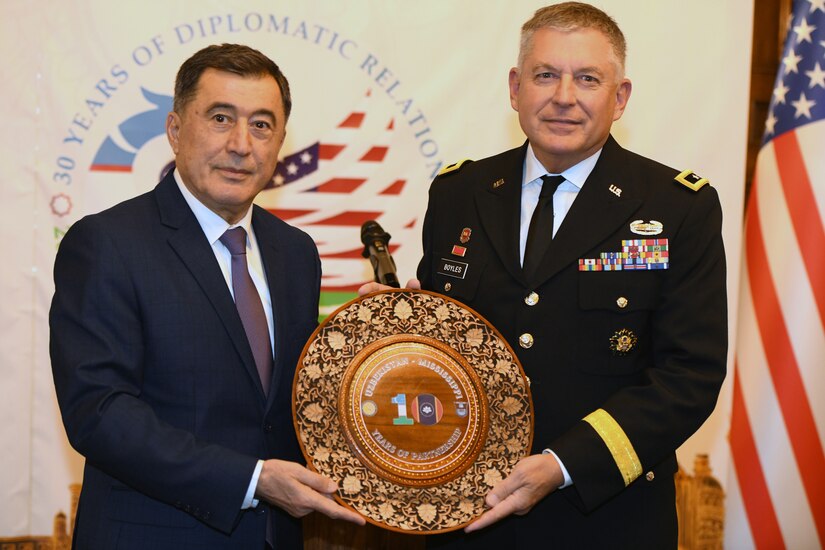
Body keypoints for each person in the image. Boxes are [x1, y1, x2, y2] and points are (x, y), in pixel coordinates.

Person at [361, 2, 726, 548]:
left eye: (587, 79)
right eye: (545, 75)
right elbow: (445, 359)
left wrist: (563, 463)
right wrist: (397, 334)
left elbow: (689, 377)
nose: (563, 96)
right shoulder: (460, 193)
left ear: (620, 97)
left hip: (604, 517)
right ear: (515, 88)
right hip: (465, 517)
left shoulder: (676, 209)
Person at [50, 43, 364, 549]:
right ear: (175, 130)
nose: (242, 144)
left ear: (281, 141)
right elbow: (100, 413)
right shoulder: (107, 243)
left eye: (262, 125)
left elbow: (292, 404)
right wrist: (252, 479)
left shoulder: (295, 251)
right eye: (221, 118)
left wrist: (380, 339)